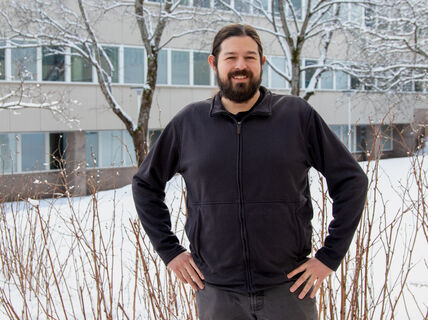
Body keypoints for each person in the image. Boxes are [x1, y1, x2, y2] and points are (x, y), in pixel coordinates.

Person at [132, 23, 368, 320]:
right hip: (217, 293)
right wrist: (170, 251)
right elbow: (144, 185)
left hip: (289, 291)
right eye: (231, 57)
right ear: (213, 63)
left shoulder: (296, 116)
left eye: (250, 57)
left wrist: (329, 257)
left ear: (262, 62)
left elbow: (351, 181)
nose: (240, 66)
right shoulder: (188, 123)